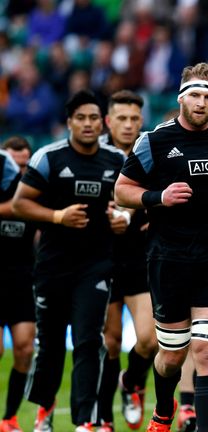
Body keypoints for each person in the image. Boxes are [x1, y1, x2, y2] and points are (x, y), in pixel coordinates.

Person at [114, 62, 208, 432]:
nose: (201, 102)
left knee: (207, 351)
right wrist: (158, 196)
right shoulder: (154, 141)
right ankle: (164, 411)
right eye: (194, 94)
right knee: (172, 356)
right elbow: (122, 191)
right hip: (169, 257)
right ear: (181, 98)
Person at [12, 90, 127, 432]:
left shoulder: (116, 160)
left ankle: (85, 421)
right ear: (69, 123)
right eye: (81, 118)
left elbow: (129, 201)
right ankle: (44, 409)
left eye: (93, 118)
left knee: (88, 341)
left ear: (102, 123)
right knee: (49, 345)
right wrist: (58, 216)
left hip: (96, 266)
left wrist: (122, 217)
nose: (87, 124)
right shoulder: (48, 157)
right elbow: (20, 204)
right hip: (52, 266)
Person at [96, 89, 158, 432]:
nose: (129, 124)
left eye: (134, 118)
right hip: (102, 258)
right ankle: (105, 418)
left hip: (140, 257)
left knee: (149, 339)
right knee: (111, 342)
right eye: (122, 118)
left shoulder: (152, 153)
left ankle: (131, 381)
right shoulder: (95, 155)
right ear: (109, 121)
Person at [0, 138, 34, 432]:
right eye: (14, 164)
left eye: (24, 165)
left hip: (24, 278)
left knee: (24, 349)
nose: (19, 171)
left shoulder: (35, 191)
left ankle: (9, 418)